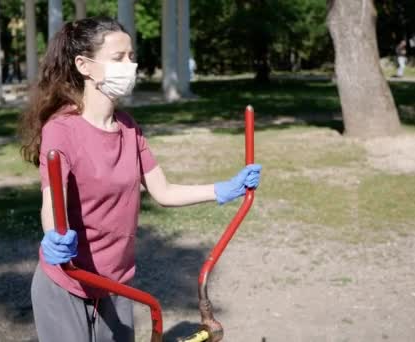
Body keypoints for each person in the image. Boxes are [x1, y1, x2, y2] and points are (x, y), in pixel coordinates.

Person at [18, 17, 262, 342]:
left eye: (131, 57)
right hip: (68, 283)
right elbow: (53, 202)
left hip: (116, 283)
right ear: (84, 65)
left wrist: (225, 188)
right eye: (117, 58)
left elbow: (164, 191)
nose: (129, 66)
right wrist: (54, 235)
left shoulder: (129, 128)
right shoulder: (61, 131)